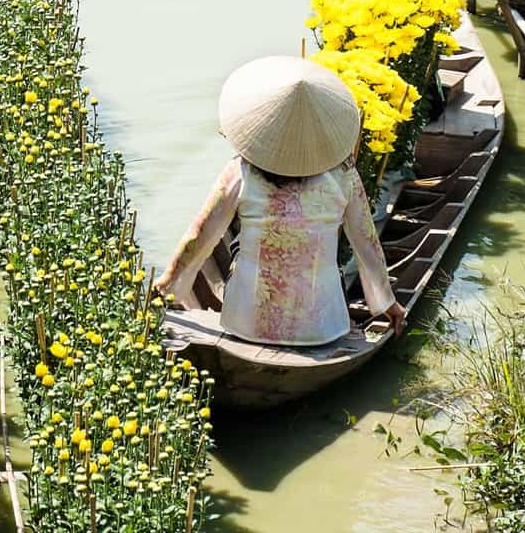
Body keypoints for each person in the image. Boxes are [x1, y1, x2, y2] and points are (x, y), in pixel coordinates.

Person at [155, 56, 402, 347]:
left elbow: (200, 235)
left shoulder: (241, 171)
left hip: (246, 324)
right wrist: (389, 304)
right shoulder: (344, 176)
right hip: (321, 328)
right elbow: (367, 247)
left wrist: (166, 286)